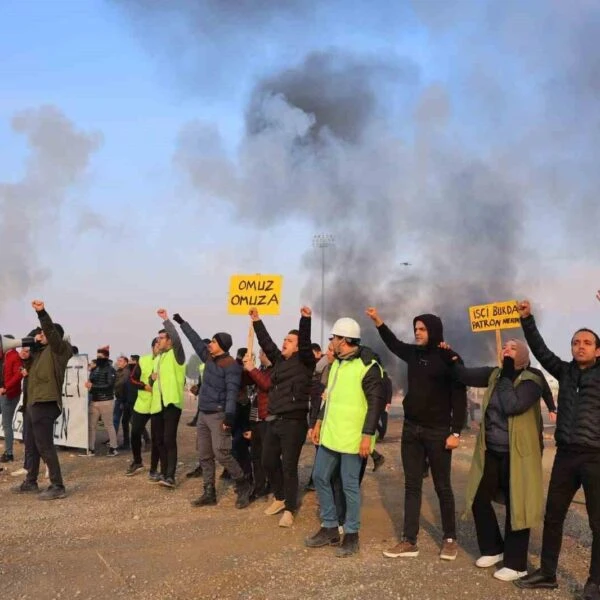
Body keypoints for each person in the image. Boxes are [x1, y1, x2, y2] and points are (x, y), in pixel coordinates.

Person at [514, 299, 600, 600]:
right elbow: (541, 351)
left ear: (598, 350)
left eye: (588, 343)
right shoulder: (564, 371)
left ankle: (595, 583)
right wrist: (527, 320)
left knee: (597, 522)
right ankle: (548, 574)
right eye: (576, 342)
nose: (580, 346)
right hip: (565, 455)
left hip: (595, 457)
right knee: (553, 517)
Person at [366, 307, 466, 561]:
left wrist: (456, 431)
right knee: (412, 485)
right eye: (415, 329)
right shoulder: (412, 354)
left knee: (443, 487)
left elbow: (459, 396)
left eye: (422, 329)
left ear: (433, 331)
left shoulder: (448, 357)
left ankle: (450, 538)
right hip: (412, 429)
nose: (417, 333)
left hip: (438, 431)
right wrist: (379, 321)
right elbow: (393, 343)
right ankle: (409, 540)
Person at [445, 339, 545, 581]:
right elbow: (464, 375)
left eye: (512, 348)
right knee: (479, 498)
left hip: (518, 455)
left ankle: (517, 563)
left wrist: (508, 375)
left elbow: (513, 405)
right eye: (504, 347)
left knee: (516, 505)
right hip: (492, 451)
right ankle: (493, 548)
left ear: (521, 354)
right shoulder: (494, 375)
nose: (506, 350)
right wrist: (452, 356)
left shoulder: (532, 380)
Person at [305, 317, 384, 557]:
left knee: (349, 485)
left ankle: (351, 534)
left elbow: (375, 406)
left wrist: (366, 437)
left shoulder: (369, 368)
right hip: (331, 433)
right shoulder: (337, 364)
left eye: (334, 338)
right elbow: (329, 396)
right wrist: (319, 421)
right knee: (319, 477)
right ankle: (330, 526)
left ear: (345, 340)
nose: (332, 343)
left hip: (353, 438)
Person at [172, 313, 252, 509]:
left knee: (222, 453)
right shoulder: (208, 357)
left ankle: (243, 484)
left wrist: (229, 418)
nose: (210, 344)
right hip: (204, 414)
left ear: (222, 345)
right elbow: (195, 340)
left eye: (214, 342)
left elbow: (232, 393)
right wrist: (182, 323)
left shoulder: (231, 366)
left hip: (219, 414)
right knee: (205, 455)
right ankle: (209, 492)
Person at [250, 306, 316, 528]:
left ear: (298, 347)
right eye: (285, 339)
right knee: (267, 461)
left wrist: (304, 320)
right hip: (274, 420)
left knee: (289, 466)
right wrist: (257, 320)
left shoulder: (305, 361)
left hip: (294, 423)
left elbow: (305, 343)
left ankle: (289, 509)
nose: (284, 342)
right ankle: (279, 497)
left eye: (289, 340)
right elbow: (266, 343)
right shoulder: (279, 361)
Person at [13, 301, 73, 500]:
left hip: (45, 403)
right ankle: (31, 481)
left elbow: (51, 332)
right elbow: (30, 372)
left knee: (45, 445)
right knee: (32, 444)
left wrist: (42, 313)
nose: (42, 335)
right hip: (33, 403)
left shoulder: (60, 349)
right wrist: (30, 345)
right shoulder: (40, 353)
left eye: (44, 333)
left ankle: (58, 485)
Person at [149, 309, 186, 488]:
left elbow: (177, 339)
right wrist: (151, 379)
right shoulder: (158, 358)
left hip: (172, 403)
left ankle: (170, 476)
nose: (159, 341)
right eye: (158, 339)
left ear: (170, 341)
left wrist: (166, 321)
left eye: (162, 338)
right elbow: (153, 379)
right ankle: (163, 472)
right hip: (157, 405)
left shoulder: (176, 355)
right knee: (159, 440)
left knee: (169, 438)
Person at [126, 340, 159, 477]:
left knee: (158, 437)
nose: (160, 346)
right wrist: (144, 386)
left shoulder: (167, 361)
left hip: (158, 404)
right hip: (143, 402)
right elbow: (132, 378)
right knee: (134, 433)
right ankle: (137, 461)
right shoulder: (144, 360)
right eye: (157, 344)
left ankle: (154, 469)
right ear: (152, 347)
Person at [243, 349, 273, 499]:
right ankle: (259, 486)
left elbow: (265, 384)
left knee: (268, 456)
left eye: (262, 353)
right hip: (255, 418)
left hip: (267, 419)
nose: (261, 356)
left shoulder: (273, 370)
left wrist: (252, 369)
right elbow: (245, 380)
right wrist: (245, 366)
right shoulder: (259, 370)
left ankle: (272, 483)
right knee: (255, 455)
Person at [82, 347, 118, 456]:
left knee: (109, 425)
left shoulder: (111, 369)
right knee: (91, 426)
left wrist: (93, 386)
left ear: (106, 357)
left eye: (100, 357)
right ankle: (91, 449)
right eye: (97, 356)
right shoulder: (95, 369)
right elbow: (91, 381)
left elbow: (109, 386)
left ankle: (113, 448)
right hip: (94, 401)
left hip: (106, 401)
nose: (98, 358)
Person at [0, 343, 25, 462]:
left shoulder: (14, 356)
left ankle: (9, 453)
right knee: (6, 424)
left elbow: (19, 375)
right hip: (5, 393)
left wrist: (6, 387)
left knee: (6, 424)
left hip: (8, 394)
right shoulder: (6, 355)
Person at [113, 355, 132, 450]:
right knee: (123, 421)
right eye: (118, 361)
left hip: (124, 400)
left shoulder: (126, 372)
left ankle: (124, 443)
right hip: (120, 399)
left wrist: (112, 385)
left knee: (129, 421)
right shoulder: (119, 371)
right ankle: (124, 443)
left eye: (120, 361)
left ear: (125, 362)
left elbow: (122, 383)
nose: (118, 362)